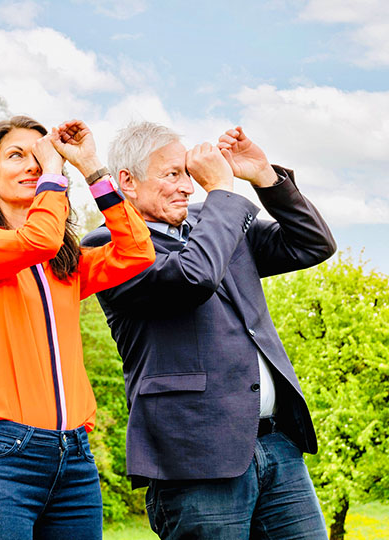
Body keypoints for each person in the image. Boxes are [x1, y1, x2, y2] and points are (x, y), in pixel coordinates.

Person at [81, 122, 336, 539]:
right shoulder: (107, 248)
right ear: (127, 181)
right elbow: (191, 279)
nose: (188, 187)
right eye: (172, 174)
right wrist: (222, 193)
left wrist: (263, 178)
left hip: (277, 446)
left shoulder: (211, 220)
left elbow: (311, 244)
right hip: (196, 456)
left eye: (189, 173)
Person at [0, 116, 156, 539]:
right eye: (16, 156)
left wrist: (91, 166)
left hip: (73, 458)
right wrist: (54, 172)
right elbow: (35, 241)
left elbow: (137, 251)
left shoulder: (65, 263)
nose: (32, 165)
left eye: (39, 156)